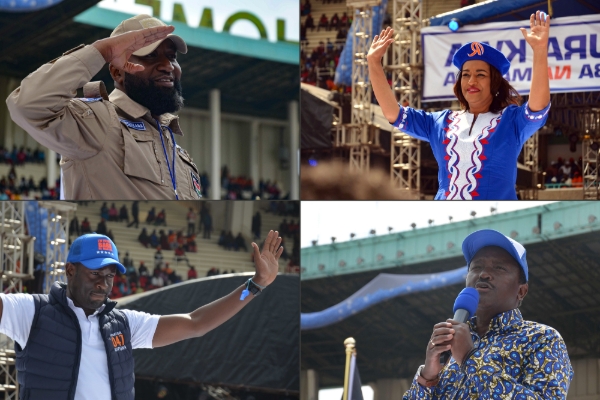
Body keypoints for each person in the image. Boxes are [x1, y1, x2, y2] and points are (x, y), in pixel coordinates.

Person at [0, 231, 282, 398]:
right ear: (70, 270)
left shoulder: (123, 324)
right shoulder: (32, 312)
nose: (103, 283)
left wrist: (254, 286)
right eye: (95, 273)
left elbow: (196, 324)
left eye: (109, 276)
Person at [6, 15, 202, 200]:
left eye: (172, 56)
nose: (167, 65)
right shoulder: (97, 121)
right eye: (150, 55)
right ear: (117, 72)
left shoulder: (182, 157)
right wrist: (102, 52)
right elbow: (27, 105)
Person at [368, 12, 552, 200]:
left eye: (480, 75)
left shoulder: (511, 121)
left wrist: (539, 50)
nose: (471, 81)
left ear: (495, 83)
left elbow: (538, 105)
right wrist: (374, 63)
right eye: (465, 75)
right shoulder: (440, 122)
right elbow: (394, 114)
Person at [403, 229, 572, 399]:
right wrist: (427, 377)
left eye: (499, 268)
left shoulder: (542, 339)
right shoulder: (451, 344)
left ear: (521, 291)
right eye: (476, 267)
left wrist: (470, 358)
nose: (483, 274)